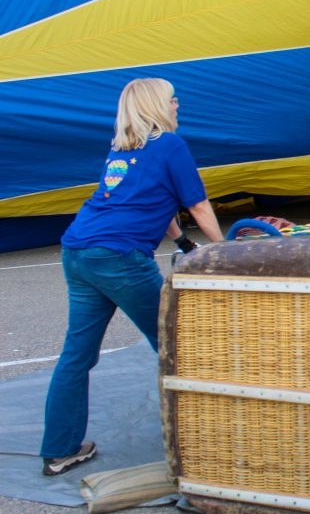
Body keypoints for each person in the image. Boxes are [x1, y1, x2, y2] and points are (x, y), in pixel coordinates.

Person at [40, 78, 223, 475]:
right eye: (173, 99)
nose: (178, 105)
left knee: (76, 356)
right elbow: (197, 204)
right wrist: (226, 250)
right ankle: (208, 445)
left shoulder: (121, 147)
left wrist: (184, 245)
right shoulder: (171, 145)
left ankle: (59, 450)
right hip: (120, 258)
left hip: (78, 252)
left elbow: (155, 202)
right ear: (158, 104)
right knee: (177, 345)